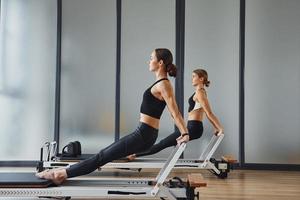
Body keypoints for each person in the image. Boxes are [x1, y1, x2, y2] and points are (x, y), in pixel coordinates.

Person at [36, 48, 189, 185]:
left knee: (102, 157)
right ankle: (63, 173)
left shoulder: (163, 84)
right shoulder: (161, 83)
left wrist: (185, 133)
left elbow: (174, 111)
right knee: (104, 154)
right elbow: (172, 112)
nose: (149, 61)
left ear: (160, 62)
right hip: (144, 134)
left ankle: (59, 174)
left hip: (144, 134)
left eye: (151, 58)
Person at [127, 68, 223, 160]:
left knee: (162, 144)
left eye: (194, 76)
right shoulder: (199, 92)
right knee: (163, 143)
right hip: (192, 127)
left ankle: (133, 154)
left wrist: (219, 128)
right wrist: (215, 127)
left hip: (193, 128)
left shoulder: (200, 93)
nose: (192, 79)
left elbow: (209, 112)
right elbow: (205, 112)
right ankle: (134, 154)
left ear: (201, 79)